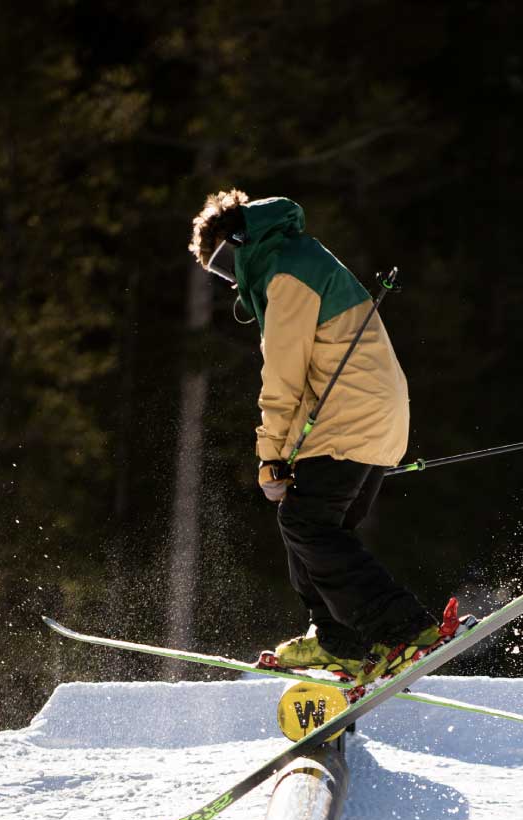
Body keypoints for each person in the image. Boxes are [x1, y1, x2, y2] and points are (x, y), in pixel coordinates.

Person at [188, 188, 442, 682]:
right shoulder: (301, 257)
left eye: (224, 266)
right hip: (370, 416)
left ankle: (406, 630)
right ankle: (337, 640)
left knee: (307, 525)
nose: (231, 281)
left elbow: (283, 377)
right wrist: (285, 455)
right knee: (307, 522)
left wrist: (269, 457)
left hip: (351, 415)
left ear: (241, 242)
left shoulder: (285, 275)